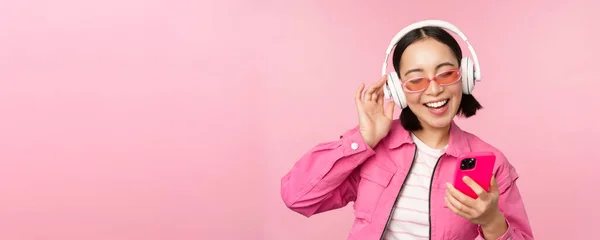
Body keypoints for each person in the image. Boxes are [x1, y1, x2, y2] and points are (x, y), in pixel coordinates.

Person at [280, 20, 533, 240]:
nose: (434, 90)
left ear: (464, 77)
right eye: (416, 80)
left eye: (445, 74)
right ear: (399, 91)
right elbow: (297, 197)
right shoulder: (374, 147)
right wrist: (364, 139)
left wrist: (491, 221)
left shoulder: (490, 161)